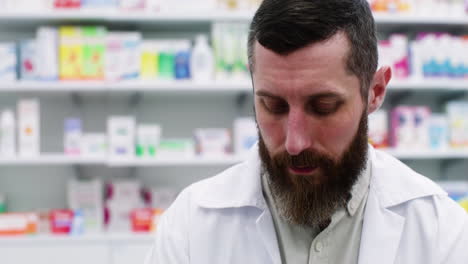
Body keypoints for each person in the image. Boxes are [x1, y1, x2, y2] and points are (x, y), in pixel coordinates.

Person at [145, 0, 468, 263]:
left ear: (376, 91)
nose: (295, 142)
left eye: (323, 106)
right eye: (273, 106)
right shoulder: (190, 227)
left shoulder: (441, 232)